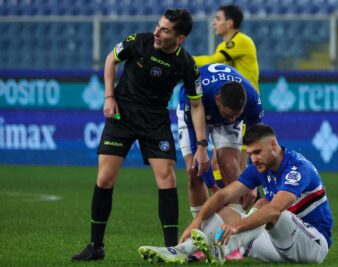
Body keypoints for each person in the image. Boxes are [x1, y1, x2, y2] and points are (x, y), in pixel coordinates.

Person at [72, 9, 210, 262]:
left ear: (180, 38)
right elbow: (110, 60)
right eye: (158, 26)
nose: (157, 32)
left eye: (165, 30)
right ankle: (96, 246)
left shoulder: (187, 64)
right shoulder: (139, 41)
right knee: (104, 178)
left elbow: (197, 104)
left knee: (167, 178)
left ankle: (172, 250)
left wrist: (202, 145)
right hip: (121, 115)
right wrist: (109, 96)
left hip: (154, 120)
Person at [138, 123, 333, 265]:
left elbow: (274, 210)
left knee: (264, 204)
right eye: (250, 154)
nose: (253, 159)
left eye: (257, 152)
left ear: (274, 146)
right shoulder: (259, 166)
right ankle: (180, 251)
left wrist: (237, 228)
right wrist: (196, 222)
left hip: (313, 245)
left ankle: (222, 250)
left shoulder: (297, 169)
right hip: (279, 246)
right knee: (226, 211)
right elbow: (223, 196)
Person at [177, 63, 263, 219]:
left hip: (216, 109)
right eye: (229, 114)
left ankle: (234, 227)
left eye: (237, 116)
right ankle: (201, 229)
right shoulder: (195, 94)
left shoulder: (252, 101)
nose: (232, 120)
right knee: (194, 171)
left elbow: (257, 145)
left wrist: (253, 180)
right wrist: (213, 187)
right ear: (218, 100)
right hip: (198, 107)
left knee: (230, 166)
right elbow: (197, 151)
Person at [193, 4, 260, 187]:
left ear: (229, 23)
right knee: (226, 163)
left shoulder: (242, 41)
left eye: (218, 19)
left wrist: (186, 60)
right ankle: (235, 205)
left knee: (238, 163)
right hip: (231, 106)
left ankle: (249, 206)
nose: (214, 23)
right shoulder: (224, 45)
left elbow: (213, 62)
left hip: (243, 108)